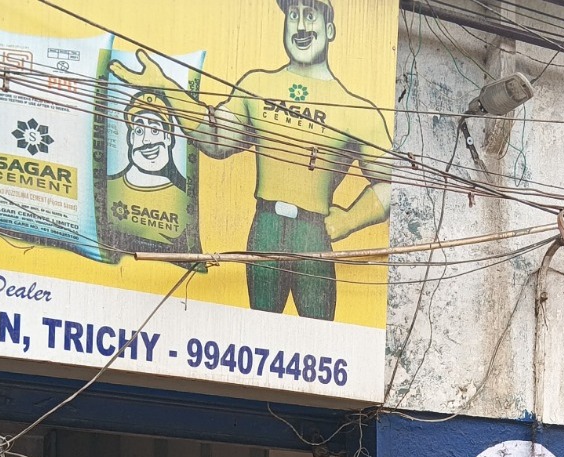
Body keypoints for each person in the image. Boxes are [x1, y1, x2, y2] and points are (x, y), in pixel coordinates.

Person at [109, 0, 392, 320]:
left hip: (313, 232)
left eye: (310, 16)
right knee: (259, 326)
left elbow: (392, 182)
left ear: (329, 30)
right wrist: (166, 89)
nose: (301, 26)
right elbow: (216, 140)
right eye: (294, 16)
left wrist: (351, 219)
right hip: (265, 226)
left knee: (321, 331)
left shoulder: (358, 111)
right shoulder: (256, 86)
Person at [106, 90, 192, 251]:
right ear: (131, 138)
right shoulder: (107, 189)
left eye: (155, 130)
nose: (147, 140)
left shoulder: (184, 202)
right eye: (139, 131)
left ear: (168, 137)